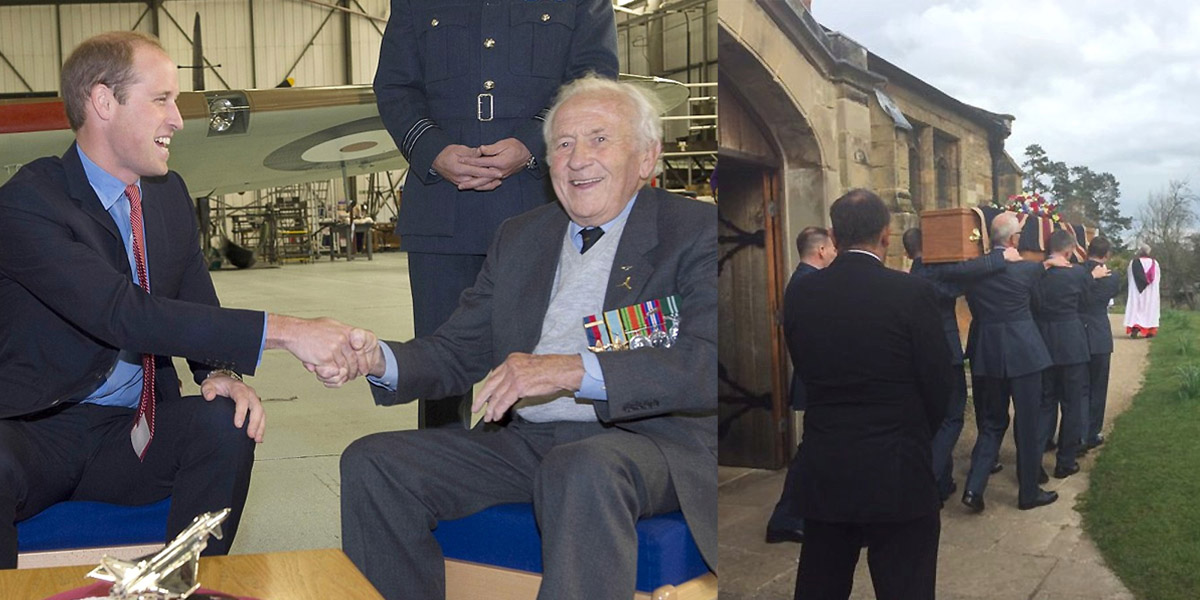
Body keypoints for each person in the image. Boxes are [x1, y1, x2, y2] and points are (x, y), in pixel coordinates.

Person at [0, 31, 375, 569]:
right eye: (162, 100)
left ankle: (181, 580)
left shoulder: (168, 194)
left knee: (228, 421)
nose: (178, 119)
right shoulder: (28, 204)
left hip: (132, 430)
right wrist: (292, 331)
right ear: (103, 102)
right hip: (36, 432)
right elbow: (122, 315)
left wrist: (217, 372)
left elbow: (196, 297)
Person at [339, 76, 716, 600]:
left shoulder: (696, 232)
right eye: (563, 143)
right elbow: (455, 351)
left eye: (600, 139)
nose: (577, 159)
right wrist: (376, 358)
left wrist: (571, 369)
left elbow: (707, 363)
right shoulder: (522, 236)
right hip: (525, 443)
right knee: (373, 463)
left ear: (647, 157)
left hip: (649, 443)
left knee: (582, 467)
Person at [374, 0, 619, 429]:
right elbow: (395, 87)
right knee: (439, 372)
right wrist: (433, 151)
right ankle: (445, 486)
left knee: (543, 363)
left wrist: (533, 143)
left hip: (539, 208)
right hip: (443, 213)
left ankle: (541, 481)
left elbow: (592, 81)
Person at [784, 190, 952, 599]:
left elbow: (806, 368)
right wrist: (914, 431)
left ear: (832, 235)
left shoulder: (802, 293)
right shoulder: (912, 293)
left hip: (827, 462)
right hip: (897, 463)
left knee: (822, 583)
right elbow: (938, 383)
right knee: (905, 584)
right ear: (886, 233)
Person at [902, 228, 1021, 502]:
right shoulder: (930, 272)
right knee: (953, 417)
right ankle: (925, 482)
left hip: (922, 355)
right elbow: (964, 275)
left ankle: (943, 482)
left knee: (936, 420)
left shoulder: (914, 273)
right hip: (945, 354)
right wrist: (1000, 259)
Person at [960, 212, 1057, 513]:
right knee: (1027, 422)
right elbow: (1040, 304)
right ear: (1014, 239)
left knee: (991, 422)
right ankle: (1028, 492)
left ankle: (974, 488)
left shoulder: (974, 272)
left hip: (989, 352)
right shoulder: (1028, 271)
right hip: (1024, 352)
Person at [764, 226, 835, 544]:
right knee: (811, 453)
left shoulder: (804, 281)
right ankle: (785, 519)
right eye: (832, 248)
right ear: (820, 250)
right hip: (818, 378)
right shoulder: (810, 284)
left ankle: (800, 515)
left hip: (815, 377)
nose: (834, 253)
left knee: (816, 451)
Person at [1033, 230, 1104, 480]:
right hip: (1072, 343)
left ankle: (1033, 465)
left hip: (1043, 342)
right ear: (1069, 250)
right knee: (1073, 404)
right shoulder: (1077, 274)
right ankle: (1065, 461)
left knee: (1045, 404)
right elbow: (1086, 301)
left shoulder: (1037, 273)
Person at [1080, 237, 1121, 448]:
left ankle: (1074, 433)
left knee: (1078, 389)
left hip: (1077, 333)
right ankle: (1091, 433)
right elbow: (1111, 292)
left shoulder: (1075, 273)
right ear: (1106, 256)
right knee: (1097, 388)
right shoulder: (1113, 278)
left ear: (1088, 251)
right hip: (1098, 334)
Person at [1124, 244, 1161, 338]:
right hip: (1150, 292)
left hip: (1136, 291)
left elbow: (1130, 276)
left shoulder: (1133, 263)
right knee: (1149, 308)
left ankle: (1135, 327)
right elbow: (1157, 278)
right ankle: (1150, 330)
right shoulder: (1154, 263)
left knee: (1136, 307)